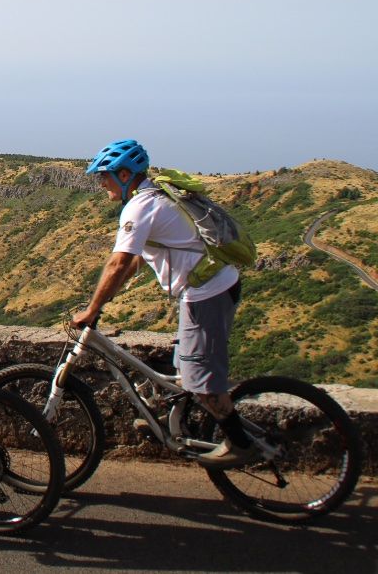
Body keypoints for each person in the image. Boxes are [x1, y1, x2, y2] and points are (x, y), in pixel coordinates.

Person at [72, 139, 258, 467]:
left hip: (207, 295)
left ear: (126, 174)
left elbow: (118, 263)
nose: (101, 183)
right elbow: (135, 262)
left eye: (105, 175)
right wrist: (105, 299)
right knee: (181, 368)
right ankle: (178, 419)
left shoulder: (139, 207)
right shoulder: (156, 194)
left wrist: (92, 309)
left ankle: (239, 443)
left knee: (198, 381)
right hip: (211, 288)